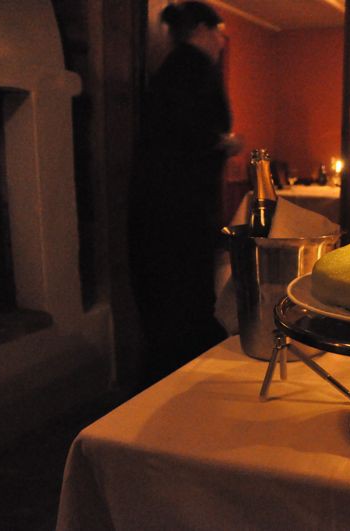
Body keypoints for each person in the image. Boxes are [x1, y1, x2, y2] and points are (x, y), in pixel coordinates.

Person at [129, 1, 241, 387]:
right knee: (185, 290)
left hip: (160, 203)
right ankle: (185, 380)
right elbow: (190, 135)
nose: (222, 42)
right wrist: (224, 143)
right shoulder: (194, 68)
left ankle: (169, 375)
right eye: (219, 33)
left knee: (170, 292)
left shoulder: (172, 69)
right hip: (182, 205)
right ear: (202, 30)